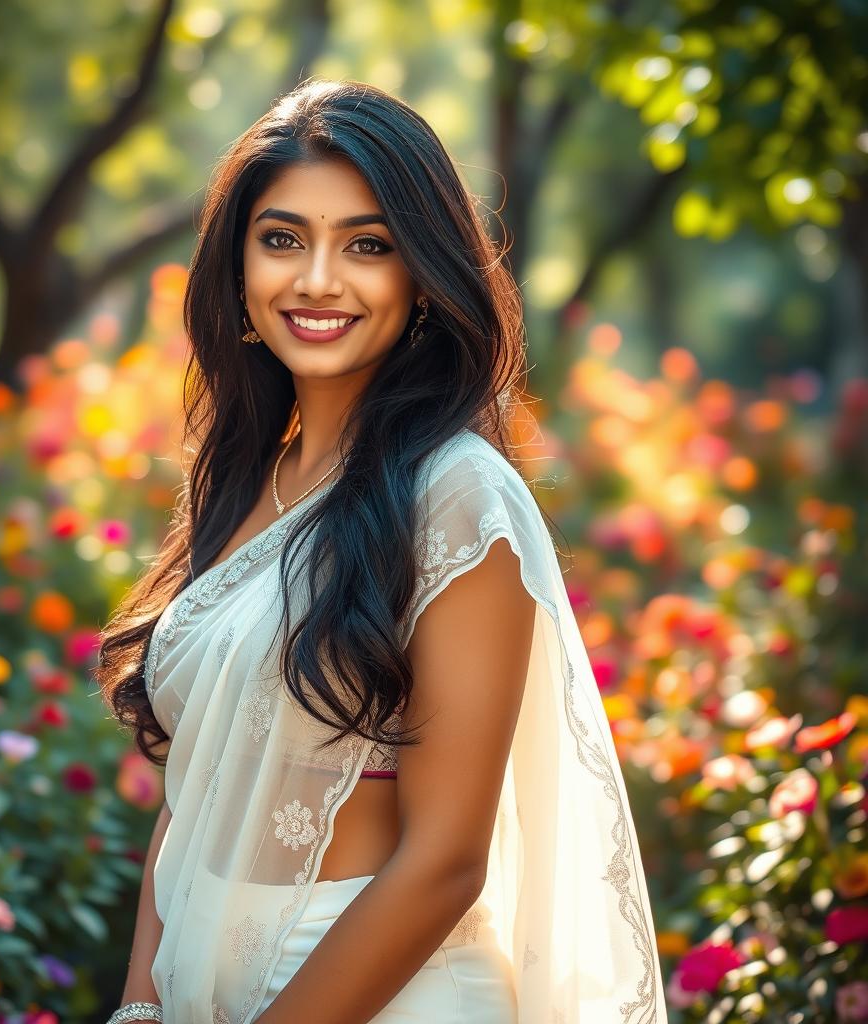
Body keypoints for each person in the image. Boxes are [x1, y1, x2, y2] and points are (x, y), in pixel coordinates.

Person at [97, 78, 668, 1024]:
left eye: (368, 245)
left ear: (423, 275)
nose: (318, 279)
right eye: (282, 239)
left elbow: (443, 860)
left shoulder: (458, 496)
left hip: (384, 997)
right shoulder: (249, 482)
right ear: (237, 267)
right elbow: (195, 791)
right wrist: (139, 1005)